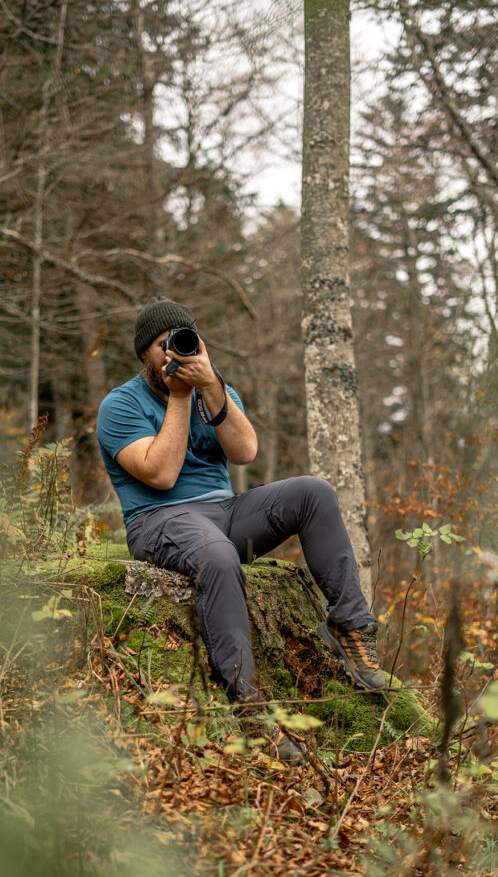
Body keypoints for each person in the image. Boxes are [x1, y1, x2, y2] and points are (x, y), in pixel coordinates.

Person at [97, 297, 386, 761]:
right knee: (220, 555)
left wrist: (210, 387)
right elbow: (162, 475)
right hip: (160, 520)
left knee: (314, 491)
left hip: (226, 512)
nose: (174, 350)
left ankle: (353, 630)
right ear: (144, 355)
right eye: (161, 344)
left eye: (184, 339)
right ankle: (250, 710)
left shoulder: (216, 390)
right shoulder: (119, 405)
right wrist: (178, 397)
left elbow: (246, 451)